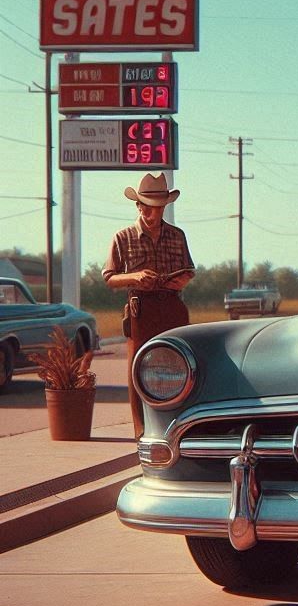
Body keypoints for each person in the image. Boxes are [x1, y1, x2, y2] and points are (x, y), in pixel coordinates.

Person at [103, 173, 195, 438]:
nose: (154, 213)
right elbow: (110, 277)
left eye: (159, 207)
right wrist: (135, 277)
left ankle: (176, 425)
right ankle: (141, 431)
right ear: (138, 206)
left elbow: (189, 269)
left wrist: (181, 280)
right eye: (149, 207)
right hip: (140, 309)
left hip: (172, 305)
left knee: (179, 363)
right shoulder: (123, 237)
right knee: (138, 367)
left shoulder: (177, 236)